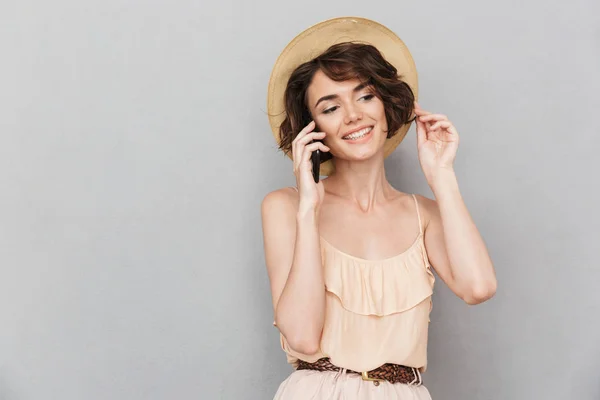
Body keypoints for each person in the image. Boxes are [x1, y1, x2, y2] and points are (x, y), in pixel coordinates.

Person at [261, 17, 497, 399]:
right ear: (312, 128)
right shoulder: (286, 207)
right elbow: (303, 338)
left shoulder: (423, 214)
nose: (354, 115)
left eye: (365, 95)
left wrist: (442, 176)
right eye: (330, 107)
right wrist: (309, 210)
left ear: (387, 105)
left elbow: (479, 287)